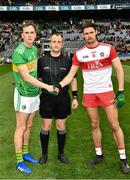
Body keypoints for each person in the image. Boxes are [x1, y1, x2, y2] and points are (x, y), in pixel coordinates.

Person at [55, 21, 130, 174]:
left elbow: (119, 70)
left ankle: (123, 159)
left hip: (107, 92)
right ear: (83, 35)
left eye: (91, 32)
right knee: (94, 124)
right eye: (86, 33)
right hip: (89, 94)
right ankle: (98, 154)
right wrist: (59, 85)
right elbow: (70, 75)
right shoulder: (79, 53)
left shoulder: (108, 49)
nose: (89, 35)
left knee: (114, 125)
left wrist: (121, 91)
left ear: (96, 32)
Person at [12, 20, 56, 174]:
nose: (30, 35)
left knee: (29, 126)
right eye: (27, 33)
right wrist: (47, 87)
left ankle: (25, 153)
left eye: (32, 32)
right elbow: (26, 77)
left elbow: (35, 73)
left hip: (33, 94)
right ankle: (19, 161)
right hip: (24, 94)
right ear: (22, 35)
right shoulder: (19, 52)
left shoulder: (34, 49)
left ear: (35, 34)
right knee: (21, 127)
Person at [37, 32, 78, 165]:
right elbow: (39, 79)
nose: (56, 44)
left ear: (62, 44)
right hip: (47, 99)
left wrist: (75, 96)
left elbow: (73, 79)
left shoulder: (68, 60)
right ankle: (44, 154)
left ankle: (61, 153)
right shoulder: (42, 60)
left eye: (58, 42)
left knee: (61, 126)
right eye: (54, 42)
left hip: (63, 98)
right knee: (46, 126)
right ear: (50, 42)